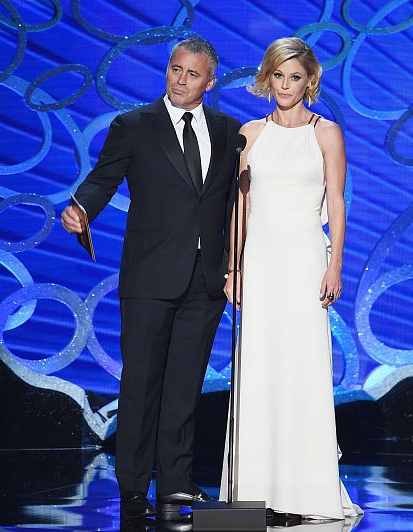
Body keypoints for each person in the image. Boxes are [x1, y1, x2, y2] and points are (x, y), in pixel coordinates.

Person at [61, 37, 241, 520]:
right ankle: (134, 489)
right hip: (149, 276)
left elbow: (233, 204)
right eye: (175, 69)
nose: (181, 80)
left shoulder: (230, 132)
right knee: (141, 385)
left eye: (192, 74)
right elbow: (103, 178)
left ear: (210, 81)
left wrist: (234, 265)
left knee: (185, 387)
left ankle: (177, 484)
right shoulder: (135, 125)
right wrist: (81, 208)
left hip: (206, 279)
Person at [219, 37, 363, 524]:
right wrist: (233, 268)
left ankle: (307, 492)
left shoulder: (327, 133)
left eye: (294, 77)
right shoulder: (250, 134)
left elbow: (337, 202)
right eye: (278, 75)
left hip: (304, 260)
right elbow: (241, 206)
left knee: (303, 369)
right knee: (258, 370)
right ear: (267, 77)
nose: (285, 85)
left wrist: (335, 265)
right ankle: (252, 495)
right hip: (259, 261)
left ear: (310, 81)